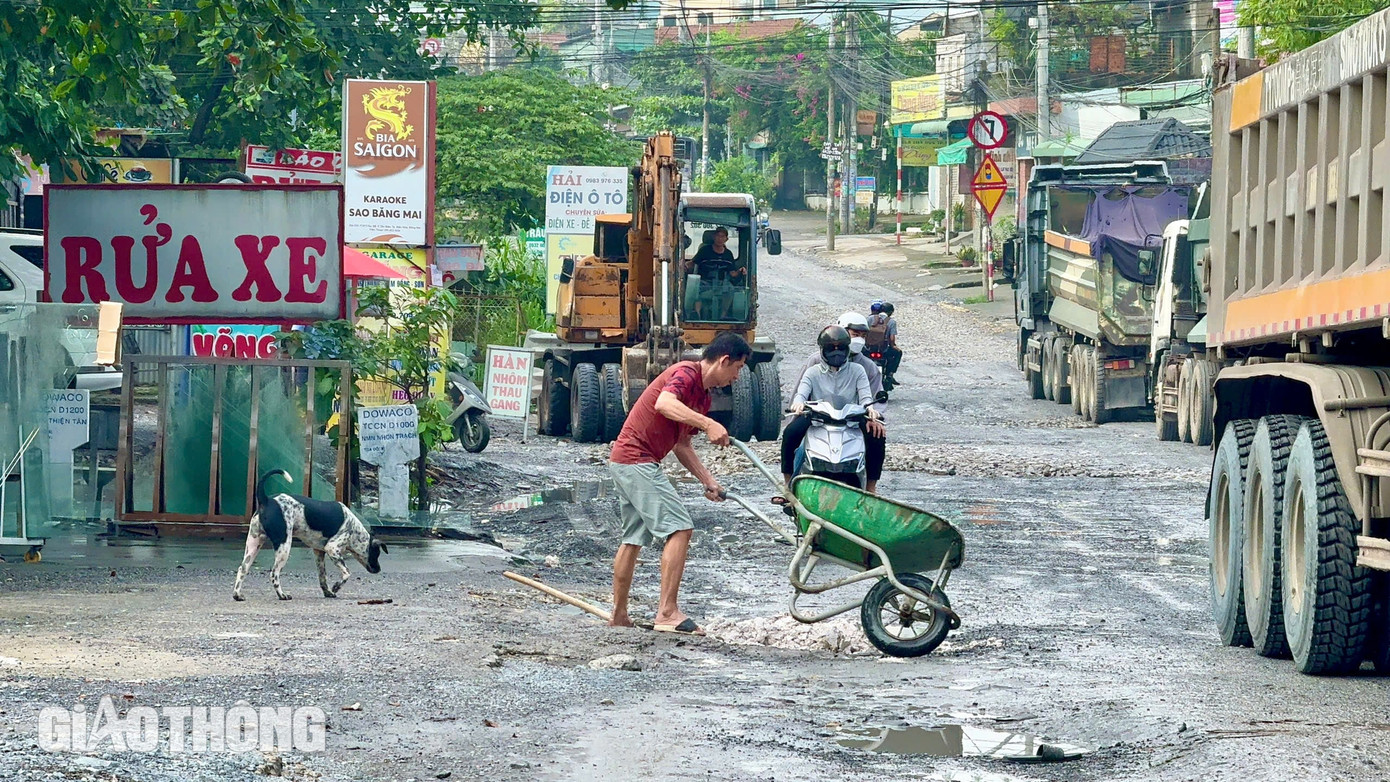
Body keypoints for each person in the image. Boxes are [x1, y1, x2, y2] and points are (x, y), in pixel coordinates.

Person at [607, 332, 751, 636]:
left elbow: (682, 444)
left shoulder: (704, 396)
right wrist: (708, 423)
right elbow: (664, 403)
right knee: (680, 528)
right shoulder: (686, 373)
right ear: (724, 361)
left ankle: (619, 615)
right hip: (636, 458)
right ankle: (668, 612)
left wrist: (709, 481)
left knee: (633, 537)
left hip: (629, 460)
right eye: (737, 368)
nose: (737, 377)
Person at [790, 312, 888, 493]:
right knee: (793, 437)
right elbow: (799, 392)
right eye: (855, 334)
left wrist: (876, 417)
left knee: (877, 438)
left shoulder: (864, 368)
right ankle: (789, 487)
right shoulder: (814, 364)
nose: (837, 352)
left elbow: (871, 397)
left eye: (863, 335)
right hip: (817, 418)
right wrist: (798, 408)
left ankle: (870, 489)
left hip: (853, 418)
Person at [880, 302, 902, 382]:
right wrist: (893, 346)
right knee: (898, 353)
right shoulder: (891, 322)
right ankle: (890, 374)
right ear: (890, 312)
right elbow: (892, 338)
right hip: (884, 349)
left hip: (869, 349)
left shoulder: (870, 319)